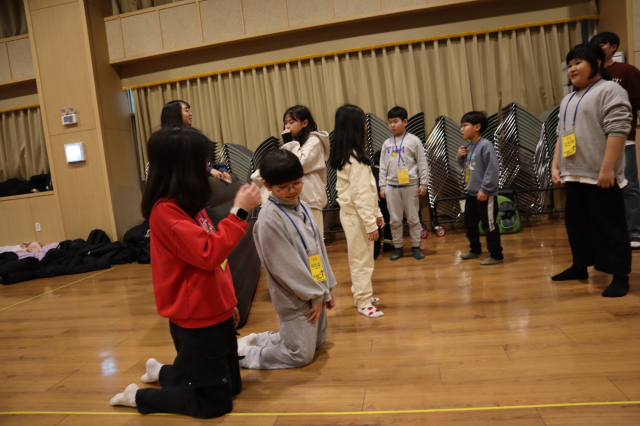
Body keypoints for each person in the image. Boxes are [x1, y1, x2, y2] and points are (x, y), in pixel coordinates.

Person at [110, 127, 261, 417]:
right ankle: (138, 396)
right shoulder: (165, 211)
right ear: (182, 166)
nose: (208, 167)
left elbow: (218, 260)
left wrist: (228, 302)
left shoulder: (190, 204)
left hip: (214, 308)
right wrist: (239, 212)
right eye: (202, 161)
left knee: (231, 387)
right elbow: (209, 253)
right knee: (214, 404)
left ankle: (162, 372)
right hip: (197, 318)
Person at [239, 149, 336, 369]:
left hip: (315, 291)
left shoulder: (302, 205)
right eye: (283, 187)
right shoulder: (269, 219)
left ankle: (259, 339)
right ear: (267, 185)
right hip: (296, 298)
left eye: (296, 183)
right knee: (300, 355)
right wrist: (316, 295)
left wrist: (326, 288)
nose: (291, 190)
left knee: (318, 343)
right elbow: (285, 267)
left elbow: (318, 250)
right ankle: (245, 354)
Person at [551, 42, 633, 297]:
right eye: (569, 65)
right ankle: (580, 266)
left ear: (596, 63)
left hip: (600, 175)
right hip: (573, 173)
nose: (572, 69)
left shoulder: (610, 89)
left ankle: (619, 275)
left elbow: (618, 129)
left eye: (578, 63)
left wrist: (607, 169)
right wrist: (555, 165)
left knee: (610, 226)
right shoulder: (568, 99)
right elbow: (561, 134)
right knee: (576, 225)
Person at [329, 104, 384, 318]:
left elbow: (369, 190)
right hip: (356, 217)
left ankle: (361, 294)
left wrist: (377, 213)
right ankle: (362, 300)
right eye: (363, 123)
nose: (366, 127)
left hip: (356, 215)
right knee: (362, 260)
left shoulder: (351, 155)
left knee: (364, 258)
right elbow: (360, 196)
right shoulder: (354, 158)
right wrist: (370, 223)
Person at [590, 32, 640, 249]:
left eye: (601, 44)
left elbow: (638, 102)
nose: (597, 48)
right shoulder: (589, 74)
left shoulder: (627, 71)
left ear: (613, 47)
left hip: (623, 139)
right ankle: (609, 233)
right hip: (594, 142)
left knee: (629, 187)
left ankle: (634, 233)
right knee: (600, 189)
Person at [252, 105, 330, 237]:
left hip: (310, 199)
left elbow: (298, 165)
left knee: (314, 239)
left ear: (305, 123)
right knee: (298, 239)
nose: (287, 126)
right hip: (292, 200)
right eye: (285, 123)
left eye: (291, 122)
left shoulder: (314, 141)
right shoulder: (294, 142)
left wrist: (288, 142)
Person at [378, 106, 429, 260]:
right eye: (390, 122)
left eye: (396, 121)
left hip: (410, 185)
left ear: (405, 122)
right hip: (391, 187)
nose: (392, 125)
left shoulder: (414, 140)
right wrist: (382, 186)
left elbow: (422, 163)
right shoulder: (387, 143)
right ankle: (398, 248)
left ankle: (416, 247)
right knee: (394, 220)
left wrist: (424, 184)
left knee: (413, 218)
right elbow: (382, 166)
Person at [456, 111, 504, 265]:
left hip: (485, 193)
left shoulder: (486, 145)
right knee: (470, 222)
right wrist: (460, 157)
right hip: (471, 193)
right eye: (461, 126)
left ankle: (496, 255)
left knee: (489, 224)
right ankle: (475, 250)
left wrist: (485, 189)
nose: (461, 129)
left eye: (465, 125)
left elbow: (492, 169)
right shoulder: (470, 146)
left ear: (477, 127)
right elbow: (468, 167)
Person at [145, 100, 231, 182]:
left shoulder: (191, 136)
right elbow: (180, 167)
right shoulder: (167, 140)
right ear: (174, 114)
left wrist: (221, 169)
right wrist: (208, 169)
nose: (191, 114)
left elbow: (209, 162)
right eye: (186, 110)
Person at [371, 150, 394, 258]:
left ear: (373, 162)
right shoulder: (388, 172)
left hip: (374, 203)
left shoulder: (369, 171)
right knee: (389, 222)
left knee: (377, 223)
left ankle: (376, 248)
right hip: (387, 201)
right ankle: (387, 244)